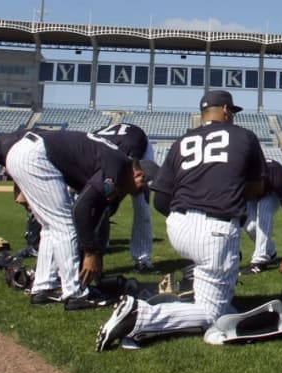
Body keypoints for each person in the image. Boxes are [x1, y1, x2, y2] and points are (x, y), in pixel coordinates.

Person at [95, 90, 266, 351]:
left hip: (178, 225)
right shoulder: (244, 136)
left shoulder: (182, 141)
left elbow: (161, 198)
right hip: (216, 228)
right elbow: (257, 189)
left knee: (222, 301)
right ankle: (140, 316)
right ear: (226, 111)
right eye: (232, 112)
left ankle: (187, 292)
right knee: (213, 316)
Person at [0, 129, 156, 310]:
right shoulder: (117, 168)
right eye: (141, 186)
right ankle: (76, 293)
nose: (139, 191)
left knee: (50, 226)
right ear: (138, 173)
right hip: (34, 155)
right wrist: (91, 254)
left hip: (27, 154)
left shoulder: (118, 165)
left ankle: (44, 287)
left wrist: (96, 249)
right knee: (65, 224)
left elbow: (97, 209)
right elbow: (81, 209)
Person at [92, 123, 156, 272]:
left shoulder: (122, 155)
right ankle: (99, 244)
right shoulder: (89, 153)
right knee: (97, 201)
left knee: (141, 201)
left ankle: (142, 259)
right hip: (113, 147)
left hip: (136, 146)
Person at [242, 158, 282, 274]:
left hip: (274, 188)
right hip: (260, 187)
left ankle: (259, 262)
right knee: (250, 226)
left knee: (264, 206)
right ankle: (271, 251)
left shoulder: (276, 177)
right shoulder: (241, 175)